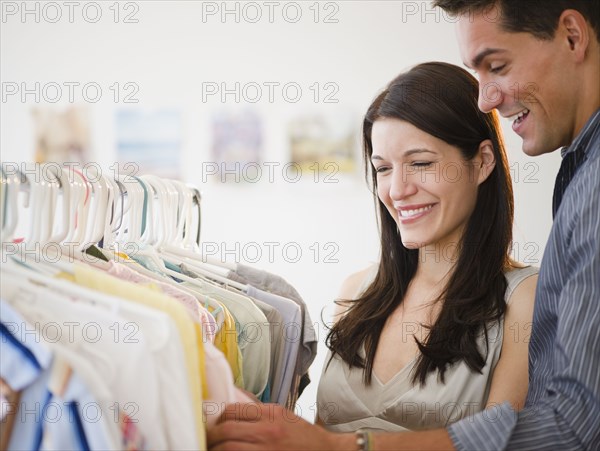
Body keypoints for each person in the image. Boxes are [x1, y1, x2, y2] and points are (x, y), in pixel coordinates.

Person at [208, 0, 600, 449]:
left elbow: (552, 431)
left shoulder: (522, 299)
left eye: (421, 163)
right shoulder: (355, 293)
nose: (397, 190)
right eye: (383, 168)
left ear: (482, 162)